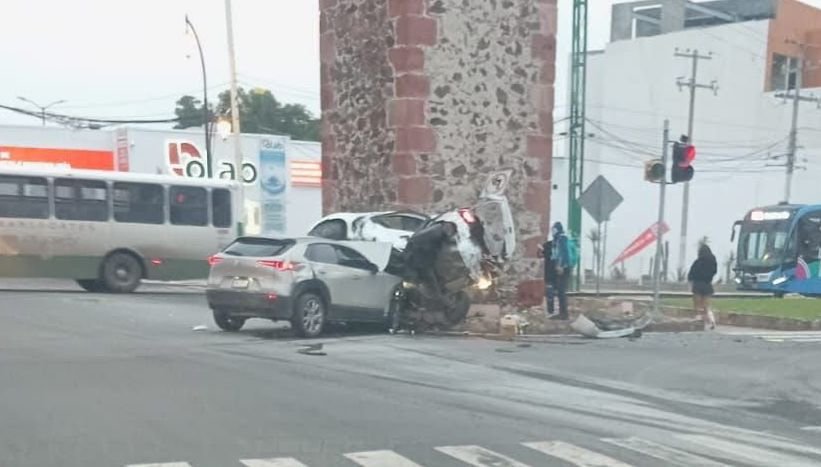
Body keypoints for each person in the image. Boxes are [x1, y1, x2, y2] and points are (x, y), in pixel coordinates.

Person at [539, 222, 571, 320]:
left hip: (563, 268)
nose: (552, 231)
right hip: (561, 267)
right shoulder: (556, 241)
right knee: (560, 291)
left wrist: (561, 266)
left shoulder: (562, 239)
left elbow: (563, 253)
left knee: (561, 291)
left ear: (557, 230)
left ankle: (564, 314)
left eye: (553, 229)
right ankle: (562, 313)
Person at [688, 243, 718, 329]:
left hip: (697, 285)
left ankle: (698, 322)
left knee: (697, 306)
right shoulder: (713, 262)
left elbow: (691, 274)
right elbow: (714, 271)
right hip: (708, 285)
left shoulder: (698, 262)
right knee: (706, 306)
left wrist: (691, 283)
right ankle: (712, 321)